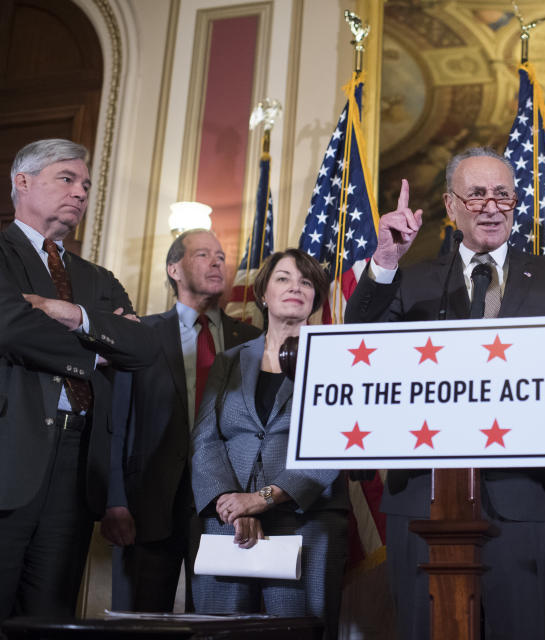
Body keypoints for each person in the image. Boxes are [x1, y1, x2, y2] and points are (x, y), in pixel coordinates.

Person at [345, 147, 545, 640]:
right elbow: (358, 344)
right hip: (424, 500)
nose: (492, 206)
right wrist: (385, 260)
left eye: (503, 194)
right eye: (476, 195)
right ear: (450, 206)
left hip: (531, 498)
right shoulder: (411, 280)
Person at [0, 139, 158, 620]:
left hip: (78, 460)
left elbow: (143, 348)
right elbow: (9, 325)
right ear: (22, 183)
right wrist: (95, 351)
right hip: (10, 451)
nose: (80, 192)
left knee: (50, 615)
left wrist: (64, 311)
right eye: (66, 179)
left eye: (86, 185)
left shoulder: (98, 278)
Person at [190, 248, 349, 631]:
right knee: (219, 633)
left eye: (306, 281)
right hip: (228, 522)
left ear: (316, 298)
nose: (295, 286)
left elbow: (336, 441)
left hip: (306, 521)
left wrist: (262, 499)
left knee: (294, 631)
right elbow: (205, 439)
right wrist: (235, 506)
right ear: (263, 293)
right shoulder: (230, 360)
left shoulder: (337, 358)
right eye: (284, 278)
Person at [102, 229, 260, 611]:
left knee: (217, 624)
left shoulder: (252, 340)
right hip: (149, 504)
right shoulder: (140, 333)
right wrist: (115, 501)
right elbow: (117, 423)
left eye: (221, 255)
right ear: (174, 268)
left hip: (226, 504)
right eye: (203, 254)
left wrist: (258, 500)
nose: (218, 262)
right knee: (140, 621)